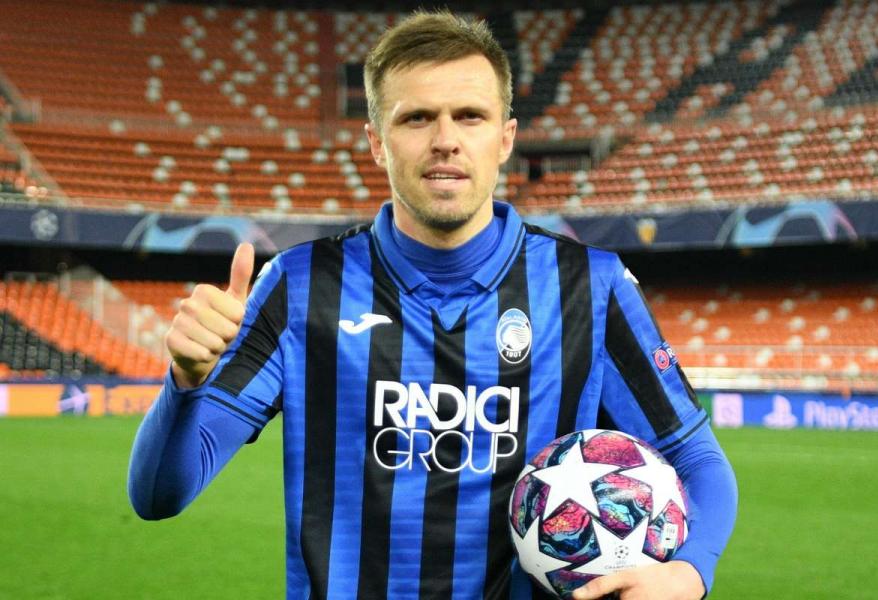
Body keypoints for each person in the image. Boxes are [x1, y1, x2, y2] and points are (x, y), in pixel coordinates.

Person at [128, 10, 737, 600]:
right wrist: (185, 384)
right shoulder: (298, 285)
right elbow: (158, 495)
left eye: (469, 116)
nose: (445, 141)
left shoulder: (591, 286)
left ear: (505, 138)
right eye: (416, 118)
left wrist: (689, 573)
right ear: (376, 142)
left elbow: (696, 459)